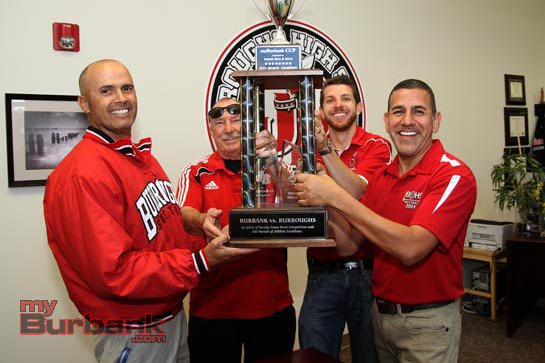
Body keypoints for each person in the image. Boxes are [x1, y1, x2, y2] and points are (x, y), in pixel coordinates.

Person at [43, 59, 255, 363]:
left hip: (170, 318)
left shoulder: (138, 158)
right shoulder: (82, 174)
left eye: (126, 88)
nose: (120, 98)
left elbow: (161, 231)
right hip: (133, 332)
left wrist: (201, 229)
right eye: (106, 90)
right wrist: (200, 260)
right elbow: (115, 272)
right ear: (84, 103)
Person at [295, 79, 477, 363]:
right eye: (398, 111)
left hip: (427, 322)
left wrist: (335, 196)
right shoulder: (382, 179)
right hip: (381, 318)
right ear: (386, 120)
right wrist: (322, 198)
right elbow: (347, 246)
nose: (407, 121)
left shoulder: (453, 176)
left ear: (436, 121)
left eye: (418, 111)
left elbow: (411, 248)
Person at [176, 97, 295, 363]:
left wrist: (273, 163)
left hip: (271, 306)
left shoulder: (273, 165)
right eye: (220, 123)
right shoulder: (196, 171)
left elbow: (298, 202)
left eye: (236, 120)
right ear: (211, 130)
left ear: (250, 125)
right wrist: (202, 220)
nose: (229, 129)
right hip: (212, 311)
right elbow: (183, 213)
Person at [299, 75, 392, 362]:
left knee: (370, 356)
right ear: (321, 111)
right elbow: (298, 202)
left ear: (359, 106)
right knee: (315, 356)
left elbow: (355, 190)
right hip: (321, 274)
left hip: (366, 275)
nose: (338, 105)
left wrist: (325, 154)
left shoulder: (377, 146)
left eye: (345, 99)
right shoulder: (306, 151)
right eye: (330, 100)